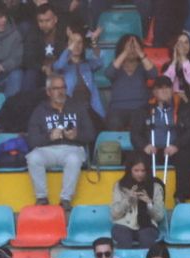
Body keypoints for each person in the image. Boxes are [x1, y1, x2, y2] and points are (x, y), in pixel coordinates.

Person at [26, 75, 94, 212]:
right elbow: (32, 139)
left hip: (72, 148)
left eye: (63, 87)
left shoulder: (77, 107)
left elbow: (91, 134)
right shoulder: (40, 110)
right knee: (33, 157)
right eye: (56, 88)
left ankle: (66, 199)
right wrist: (50, 136)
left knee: (74, 159)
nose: (60, 91)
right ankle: (42, 198)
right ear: (48, 92)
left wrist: (76, 135)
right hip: (48, 150)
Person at [132, 75, 190, 204]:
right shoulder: (144, 110)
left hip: (174, 149)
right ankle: (142, 195)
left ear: (172, 90)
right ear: (154, 92)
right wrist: (145, 146)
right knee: (137, 158)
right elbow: (135, 133)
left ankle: (181, 197)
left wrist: (176, 145)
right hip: (152, 149)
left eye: (167, 88)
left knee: (186, 157)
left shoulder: (183, 107)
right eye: (160, 88)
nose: (164, 91)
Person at [107, 33, 158, 130]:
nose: (131, 50)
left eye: (134, 47)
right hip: (117, 109)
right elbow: (109, 73)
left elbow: (153, 74)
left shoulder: (143, 66)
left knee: (140, 124)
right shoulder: (116, 65)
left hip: (140, 108)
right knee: (114, 123)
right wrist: (125, 53)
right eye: (128, 47)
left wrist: (140, 52)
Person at [54, 24, 103, 121]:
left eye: (80, 42)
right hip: (70, 111)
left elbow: (99, 62)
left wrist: (93, 41)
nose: (76, 46)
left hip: (90, 109)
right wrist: (71, 45)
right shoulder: (63, 65)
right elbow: (58, 66)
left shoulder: (88, 64)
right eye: (72, 42)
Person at [20, 1, 67, 92]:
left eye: (47, 20)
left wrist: (54, 67)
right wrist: (43, 67)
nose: (44, 24)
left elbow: (68, 56)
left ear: (55, 19)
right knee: (30, 74)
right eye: (41, 21)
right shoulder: (33, 33)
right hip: (40, 71)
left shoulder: (64, 33)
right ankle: (26, 104)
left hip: (60, 69)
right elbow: (28, 58)